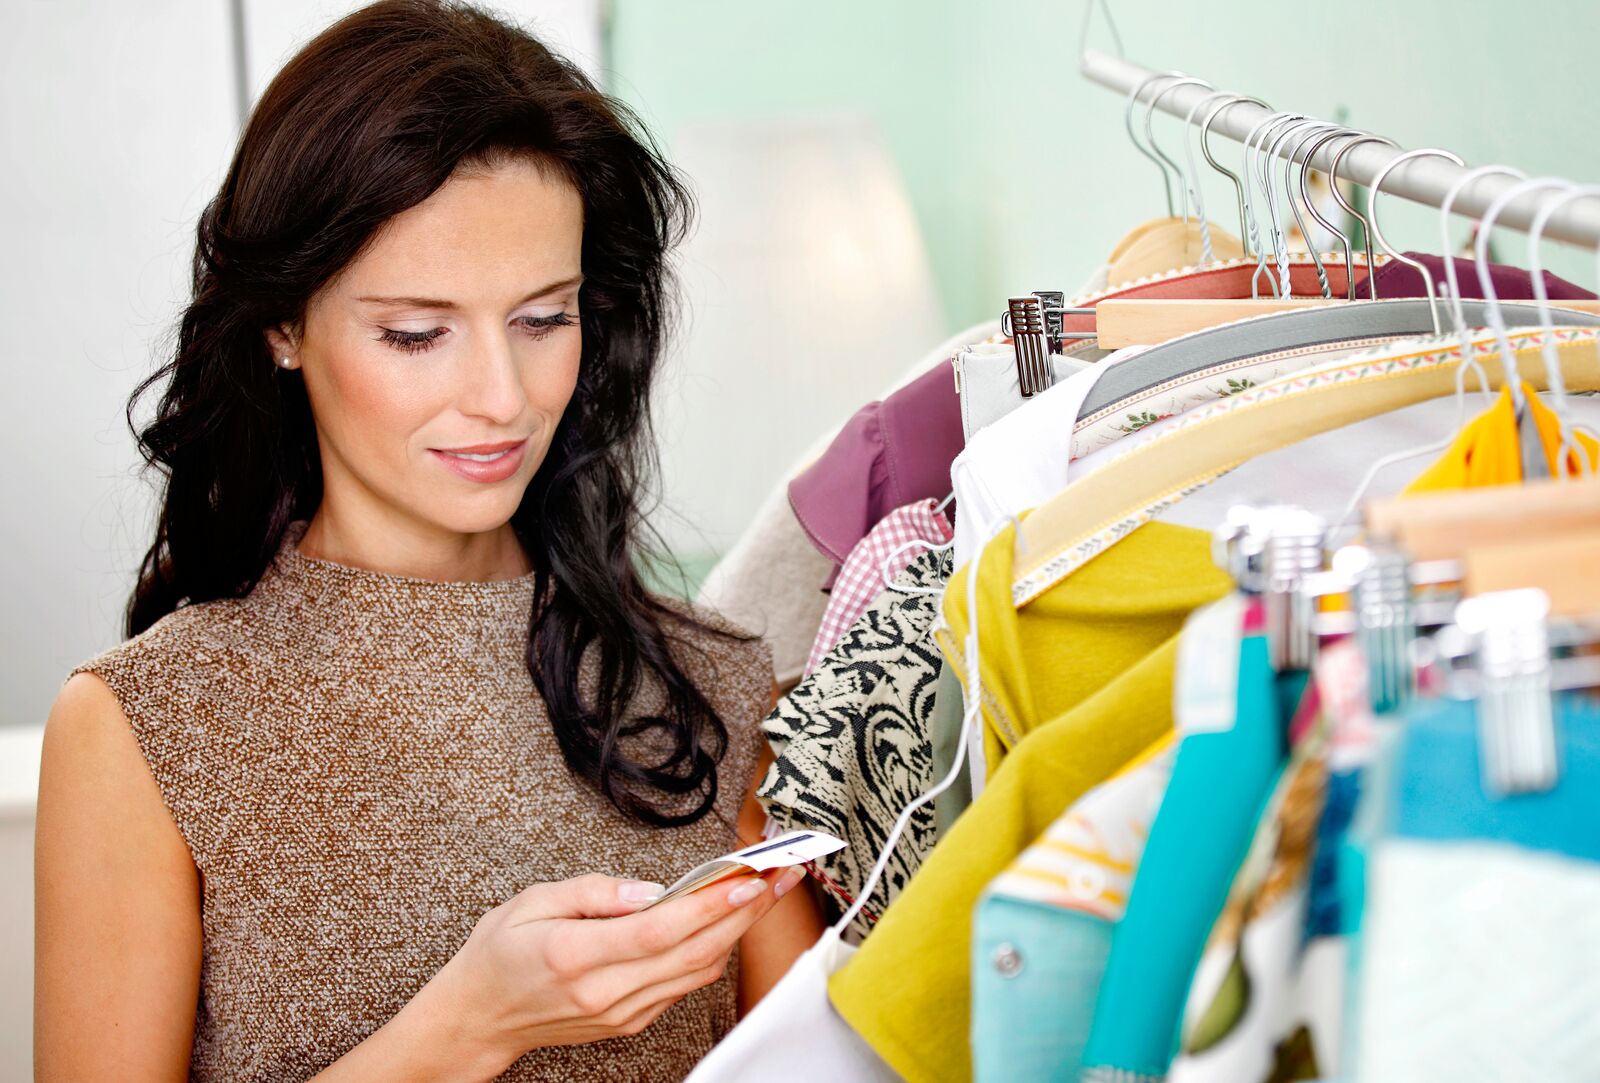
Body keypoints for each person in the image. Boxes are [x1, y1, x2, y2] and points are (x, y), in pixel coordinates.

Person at [33, 2, 824, 1079]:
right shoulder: (149, 727)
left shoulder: (712, 689)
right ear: (280, 325)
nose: (501, 397)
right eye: (416, 332)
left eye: (544, 319)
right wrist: (471, 1025)